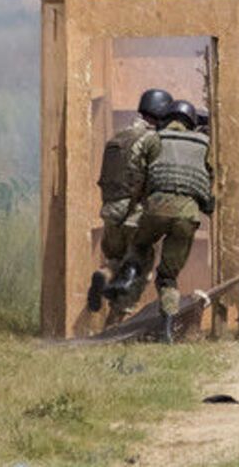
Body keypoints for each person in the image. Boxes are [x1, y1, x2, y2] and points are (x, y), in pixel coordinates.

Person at [109, 98, 215, 343]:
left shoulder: (155, 140)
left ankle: (121, 303)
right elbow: (209, 181)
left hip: (155, 211)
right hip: (187, 215)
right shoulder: (204, 143)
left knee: (139, 249)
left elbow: (138, 176)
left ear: (166, 119)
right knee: (168, 277)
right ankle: (167, 330)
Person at [87, 87, 171, 316]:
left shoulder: (117, 138)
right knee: (139, 271)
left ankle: (104, 275)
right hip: (136, 216)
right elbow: (157, 177)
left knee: (115, 260)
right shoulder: (152, 140)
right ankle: (118, 325)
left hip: (112, 213)